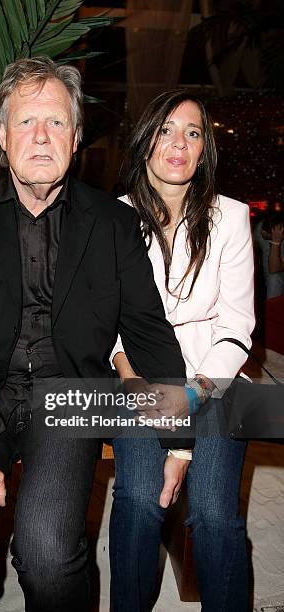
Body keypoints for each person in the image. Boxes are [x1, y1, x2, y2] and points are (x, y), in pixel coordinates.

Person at [0, 58, 190, 612]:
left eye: (57, 123)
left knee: (49, 551)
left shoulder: (112, 223)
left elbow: (150, 333)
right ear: (3, 136)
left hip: (68, 395)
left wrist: (180, 437)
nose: (41, 137)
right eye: (26, 122)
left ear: (77, 137)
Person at [110, 90, 255, 611]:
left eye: (193, 133)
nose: (179, 143)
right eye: (166, 129)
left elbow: (238, 324)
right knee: (137, 501)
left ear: (205, 151)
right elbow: (109, 325)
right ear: (146, 140)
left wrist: (194, 396)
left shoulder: (232, 217)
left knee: (215, 513)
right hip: (139, 377)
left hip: (214, 379)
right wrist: (133, 383)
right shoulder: (113, 218)